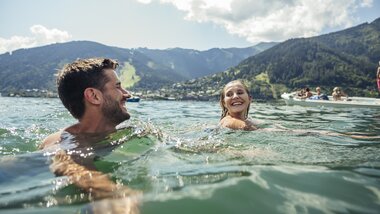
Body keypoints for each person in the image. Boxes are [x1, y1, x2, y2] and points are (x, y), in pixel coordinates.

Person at [39, 58, 140, 213]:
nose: (127, 94)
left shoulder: (115, 134)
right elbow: (67, 161)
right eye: (118, 87)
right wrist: (115, 198)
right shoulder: (66, 142)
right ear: (94, 96)